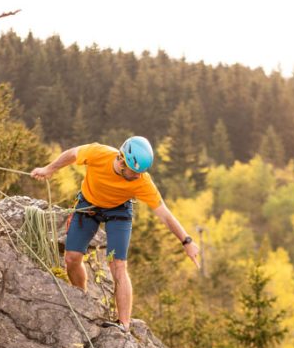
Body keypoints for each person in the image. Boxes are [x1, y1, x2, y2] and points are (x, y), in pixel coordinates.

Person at [31, 137, 200, 332]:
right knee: (72, 257)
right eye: (135, 172)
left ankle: (123, 325)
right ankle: (82, 299)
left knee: (118, 265)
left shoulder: (142, 182)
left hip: (119, 211)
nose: (139, 176)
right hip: (89, 205)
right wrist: (49, 169)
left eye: (141, 173)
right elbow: (72, 154)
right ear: (122, 161)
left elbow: (164, 213)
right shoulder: (98, 153)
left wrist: (186, 241)